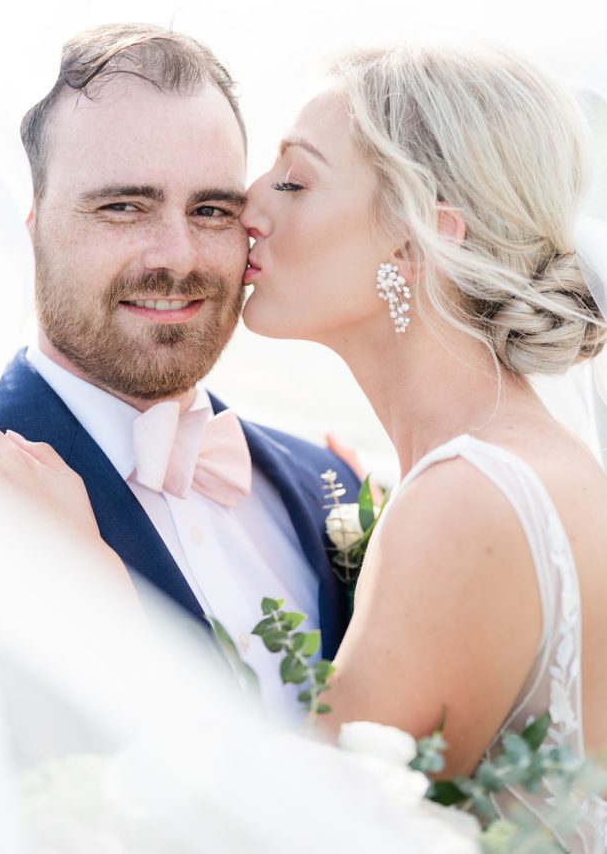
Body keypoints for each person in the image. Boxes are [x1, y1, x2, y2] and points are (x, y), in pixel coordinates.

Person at [240, 42, 607, 848]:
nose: (249, 203)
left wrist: (92, 595)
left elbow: (310, 840)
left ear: (416, 240)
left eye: (295, 180)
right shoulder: (525, 463)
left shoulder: (468, 499)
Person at [0, 22, 358, 718]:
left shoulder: (336, 493)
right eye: (124, 207)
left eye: (212, 210)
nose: (177, 255)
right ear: (30, 228)